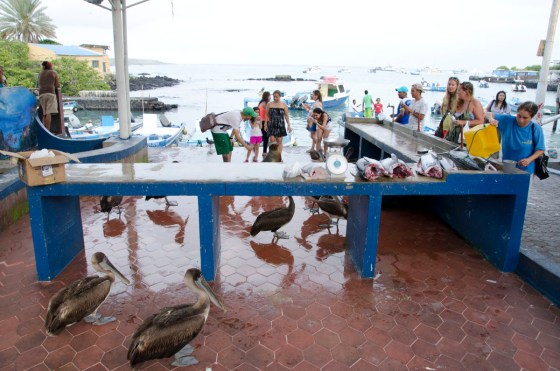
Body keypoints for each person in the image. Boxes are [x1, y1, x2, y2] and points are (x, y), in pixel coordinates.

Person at [486, 101, 545, 175]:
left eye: (525, 118)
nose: (521, 120)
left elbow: (541, 149)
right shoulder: (507, 120)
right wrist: (491, 119)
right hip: (507, 167)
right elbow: (487, 113)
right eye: (519, 116)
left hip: (526, 170)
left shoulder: (536, 128)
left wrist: (528, 160)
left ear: (532, 117)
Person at [265, 90, 291, 157]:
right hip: (272, 124)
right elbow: (266, 115)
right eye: (274, 97)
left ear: (280, 96)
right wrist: (265, 124)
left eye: (277, 97)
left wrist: (289, 125)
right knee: (272, 140)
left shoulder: (283, 105)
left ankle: (279, 156)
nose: (275, 98)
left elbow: (286, 115)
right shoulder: (269, 104)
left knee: (279, 141)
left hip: (280, 124)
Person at [38, 61, 60, 132]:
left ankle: (43, 129)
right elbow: (57, 85)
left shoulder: (40, 73)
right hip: (50, 93)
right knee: (48, 112)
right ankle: (47, 130)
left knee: (44, 113)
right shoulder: (53, 72)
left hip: (41, 94)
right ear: (50, 66)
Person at [258, 91, 271, 159]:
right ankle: (264, 152)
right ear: (267, 96)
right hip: (265, 121)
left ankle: (264, 151)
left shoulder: (260, 102)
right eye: (270, 96)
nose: (270, 97)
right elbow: (268, 113)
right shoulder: (266, 103)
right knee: (266, 137)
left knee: (264, 137)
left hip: (261, 121)